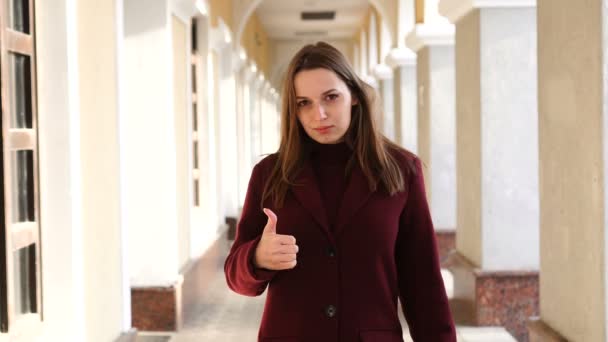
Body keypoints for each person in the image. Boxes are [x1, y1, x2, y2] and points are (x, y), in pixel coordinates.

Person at [224, 41, 456, 342]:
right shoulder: (269, 174)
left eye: (330, 97)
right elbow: (235, 277)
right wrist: (255, 257)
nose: (318, 114)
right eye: (303, 102)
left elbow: (423, 284)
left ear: (354, 96)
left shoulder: (401, 171)